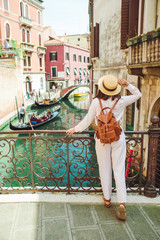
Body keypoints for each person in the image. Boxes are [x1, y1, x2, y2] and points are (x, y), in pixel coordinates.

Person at [66, 75, 142, 221]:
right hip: (117, 138)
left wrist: (74, 129)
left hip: (101, 139)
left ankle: (107, 199)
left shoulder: (96, 102)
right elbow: (138, 94)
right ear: (115, 89)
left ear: (102, 88)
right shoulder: (120, 101)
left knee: (104, 169)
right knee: (119, 170)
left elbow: (87, 121)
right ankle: (122, 203)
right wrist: (127, 84)